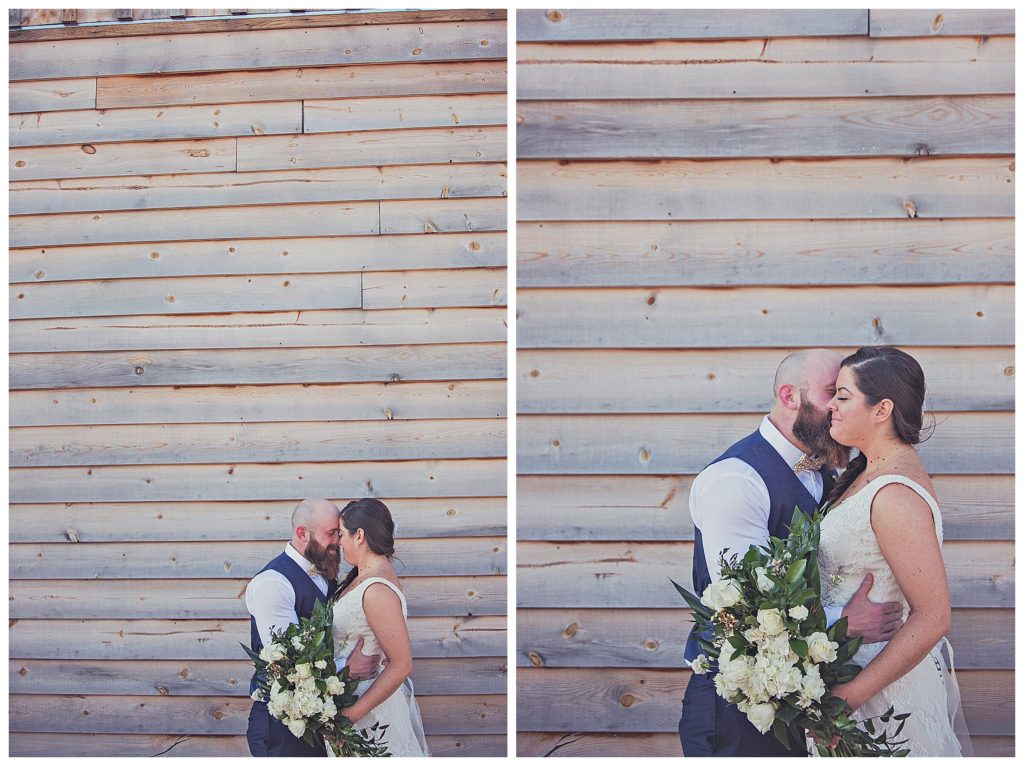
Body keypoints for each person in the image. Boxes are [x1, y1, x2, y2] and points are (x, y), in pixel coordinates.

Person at [678, 349, 904, 757]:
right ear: (789, 396)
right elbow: (746, 601)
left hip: (801, 700)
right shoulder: (736, 478)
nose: (838, 407)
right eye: (830, 393)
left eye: (844, 395)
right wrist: (844, 621)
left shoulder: (828, 471)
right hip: (735, 710)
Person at [816, 346, 969, 756]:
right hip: (850, 673)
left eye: (842, 396)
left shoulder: (895, 492)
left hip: (880, 699)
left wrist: (846, 698)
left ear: (881, 409)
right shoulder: (867, 473)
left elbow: (934, 616)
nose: (830, 405)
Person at [245, 498, 381, 757]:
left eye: (340, 534)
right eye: (331, 534)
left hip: (318, 721)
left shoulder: (325, 574)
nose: (338, 542)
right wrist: (348, 669)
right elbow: (287, 661)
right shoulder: (273, 584)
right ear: (301, 533)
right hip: (281, 728)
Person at [326, 498, 429, 757]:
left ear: (359, 535)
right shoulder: (361, 579)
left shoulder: (377, 590)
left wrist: (350, 717)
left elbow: (402, 664)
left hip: (368, 716)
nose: (338, 542)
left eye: (341, 534)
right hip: (347, 700)